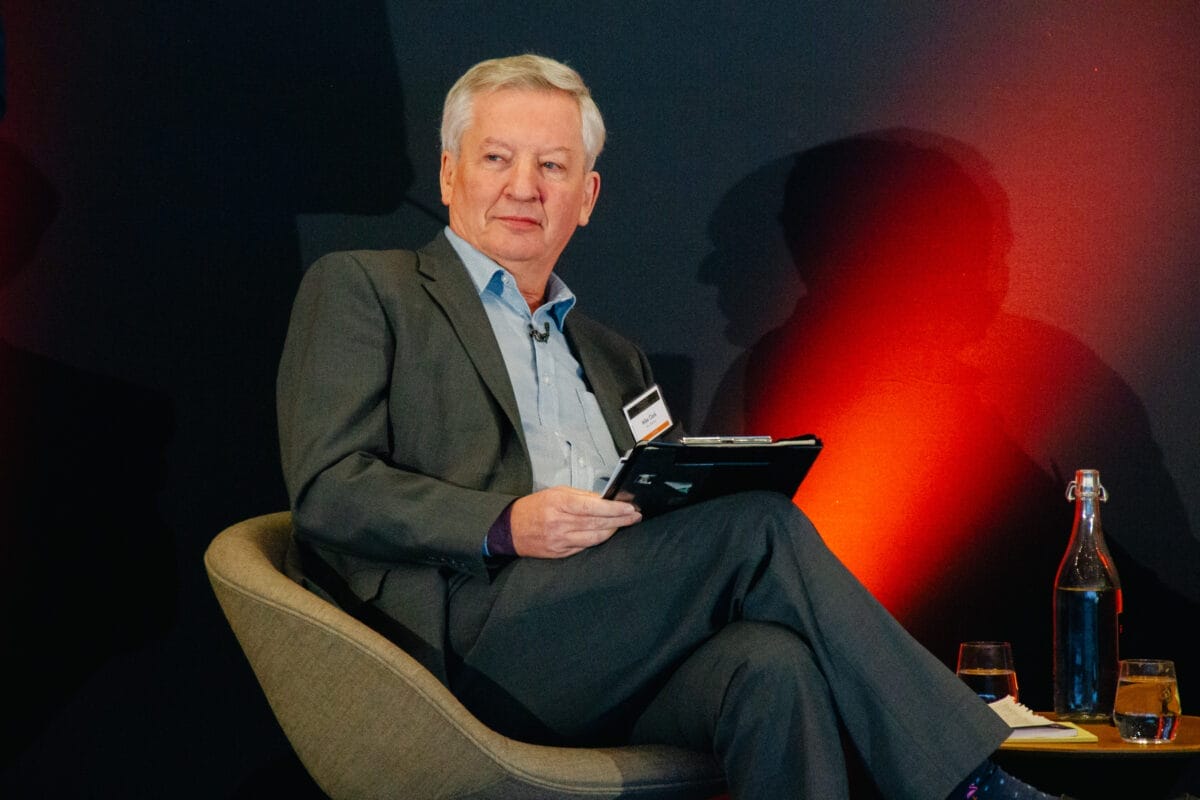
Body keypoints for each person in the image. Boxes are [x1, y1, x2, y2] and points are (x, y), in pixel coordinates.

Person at [276, 54, 1065, 800]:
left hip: (616, 640)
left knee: (774, 667)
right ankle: (967, 781)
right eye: (496, 159)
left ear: (586, 197)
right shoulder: (367, 289)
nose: (524, 187)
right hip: (469, 649)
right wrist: (506, 523)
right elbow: (328, 488)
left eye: (552, 166)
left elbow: (672, 507)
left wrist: (708, 483)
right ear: (450, 174)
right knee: (758, 528)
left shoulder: (612, 354)